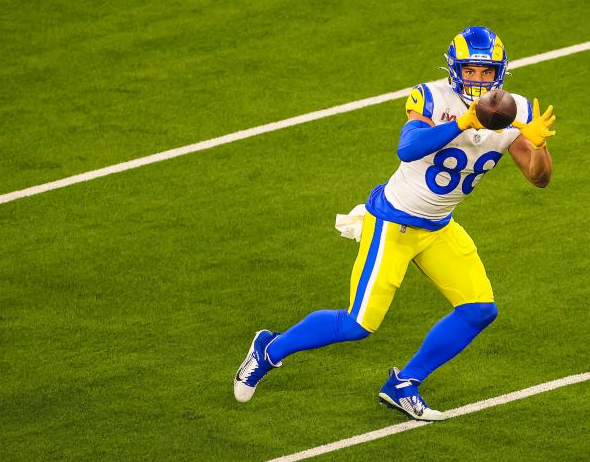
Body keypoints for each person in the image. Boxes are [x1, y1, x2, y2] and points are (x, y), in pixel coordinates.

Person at [233, 26, 556, 421]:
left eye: (486, 72)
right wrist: (465, 121)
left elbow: (539, 178)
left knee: (479, 310)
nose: (478, 79)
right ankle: (268, 350)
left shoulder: (516, 110)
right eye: (471, 70)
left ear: (499, 73)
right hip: (394, 222)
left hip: (438, 226)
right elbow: (408, 147)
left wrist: (539, 147)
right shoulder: (431, 96)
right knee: (357, 324)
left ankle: (403, 383)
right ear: (455, 69)